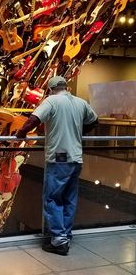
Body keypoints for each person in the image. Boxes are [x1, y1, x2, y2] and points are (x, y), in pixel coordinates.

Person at [16, 76, 98, 256]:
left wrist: (20, 133)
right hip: (76, 157)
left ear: (51, 89)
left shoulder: (51, 101)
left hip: (59, 157)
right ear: (66, 87)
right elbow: (94, 121)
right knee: (69, 198)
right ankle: (65, 235)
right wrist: (78, 132)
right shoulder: (80, 102)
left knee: (52, 198)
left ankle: (59, 241)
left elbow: (34, 119)